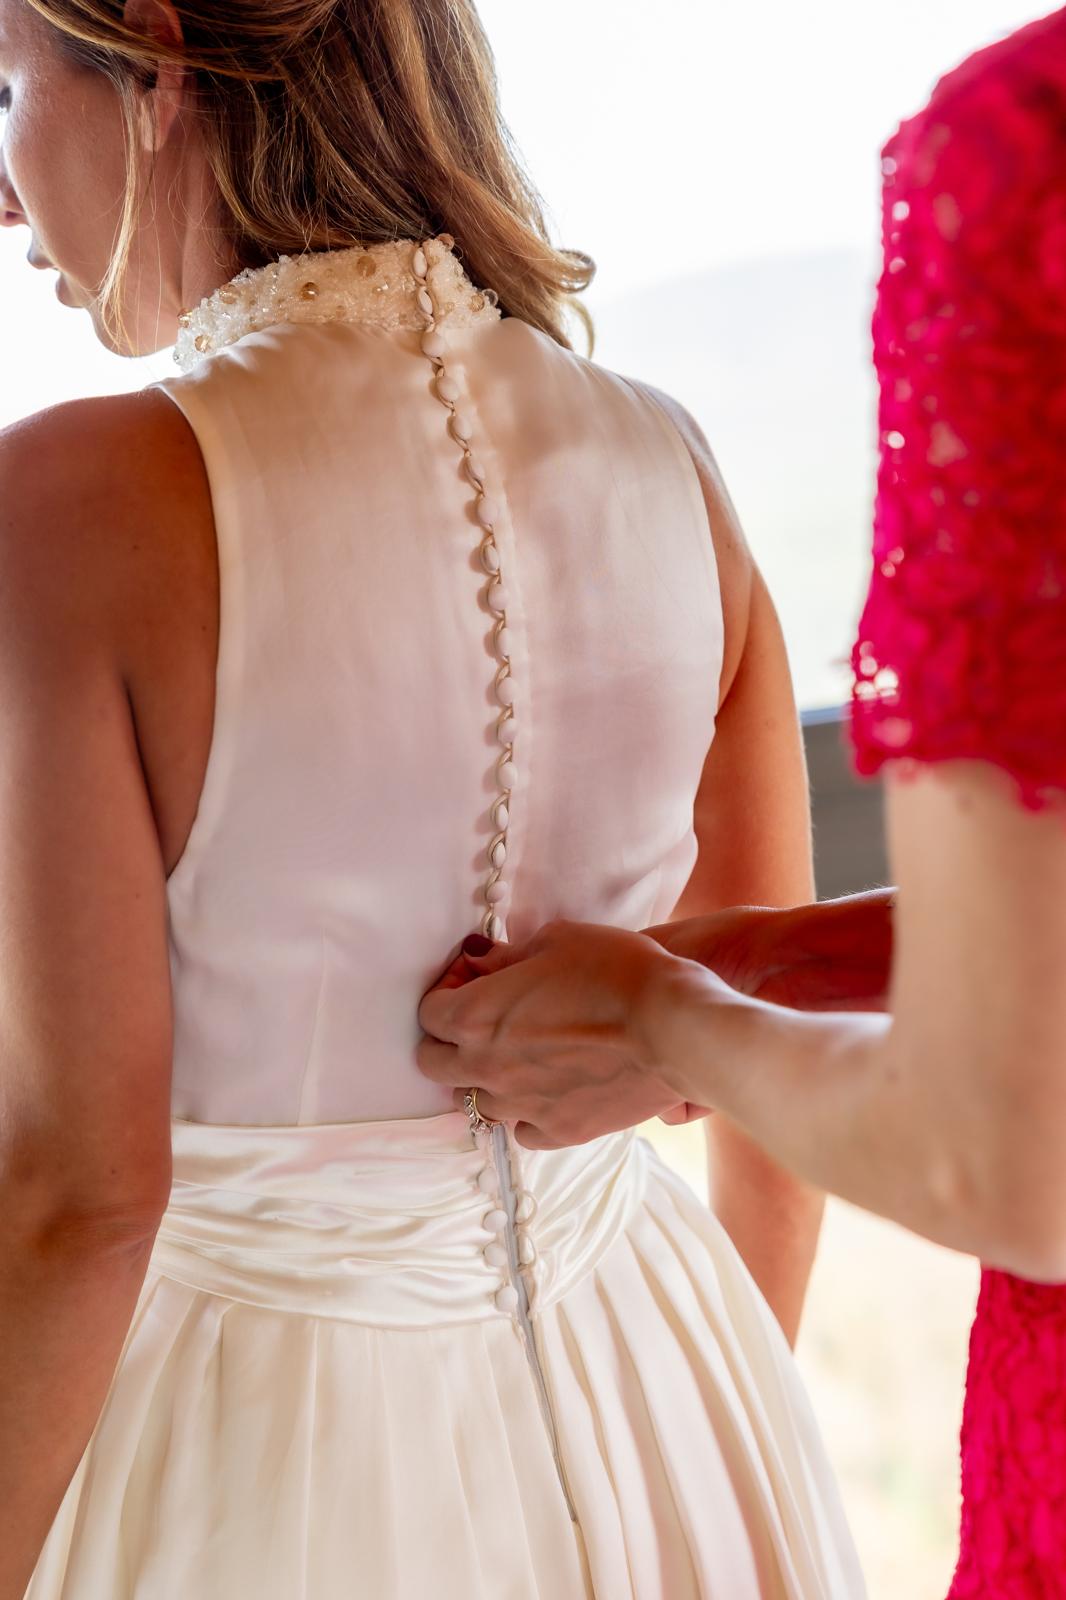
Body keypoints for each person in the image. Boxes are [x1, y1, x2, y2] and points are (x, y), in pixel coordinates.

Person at [0, 1, 866, 1595]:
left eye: (5, 88)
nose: (1, 194)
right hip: (662, 1380)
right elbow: (769, 1032)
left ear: (157, 58)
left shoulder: (66, 506)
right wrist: (719, 1411)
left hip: (243, 1446)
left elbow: (82, 1198)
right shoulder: (669, 459)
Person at [419, 7, 1066, 1594]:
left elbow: (1011, 1159)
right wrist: (777, 958)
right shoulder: (660, 456)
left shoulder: (1028, 159)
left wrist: (665, 1022)